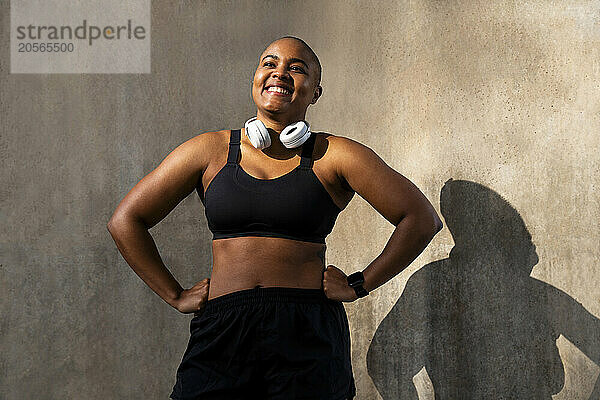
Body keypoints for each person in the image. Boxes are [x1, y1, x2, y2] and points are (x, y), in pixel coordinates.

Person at [107, 36, 443, 400]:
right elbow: (126, 220)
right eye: (270, 63)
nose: (280, 73)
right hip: (223, 329)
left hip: (307, 332)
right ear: (256, 76)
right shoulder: (210, 150)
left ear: (315, 92)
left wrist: (360, 284)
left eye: (297, 68)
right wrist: (174, 294)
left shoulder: (336, 155)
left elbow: (420, 219)